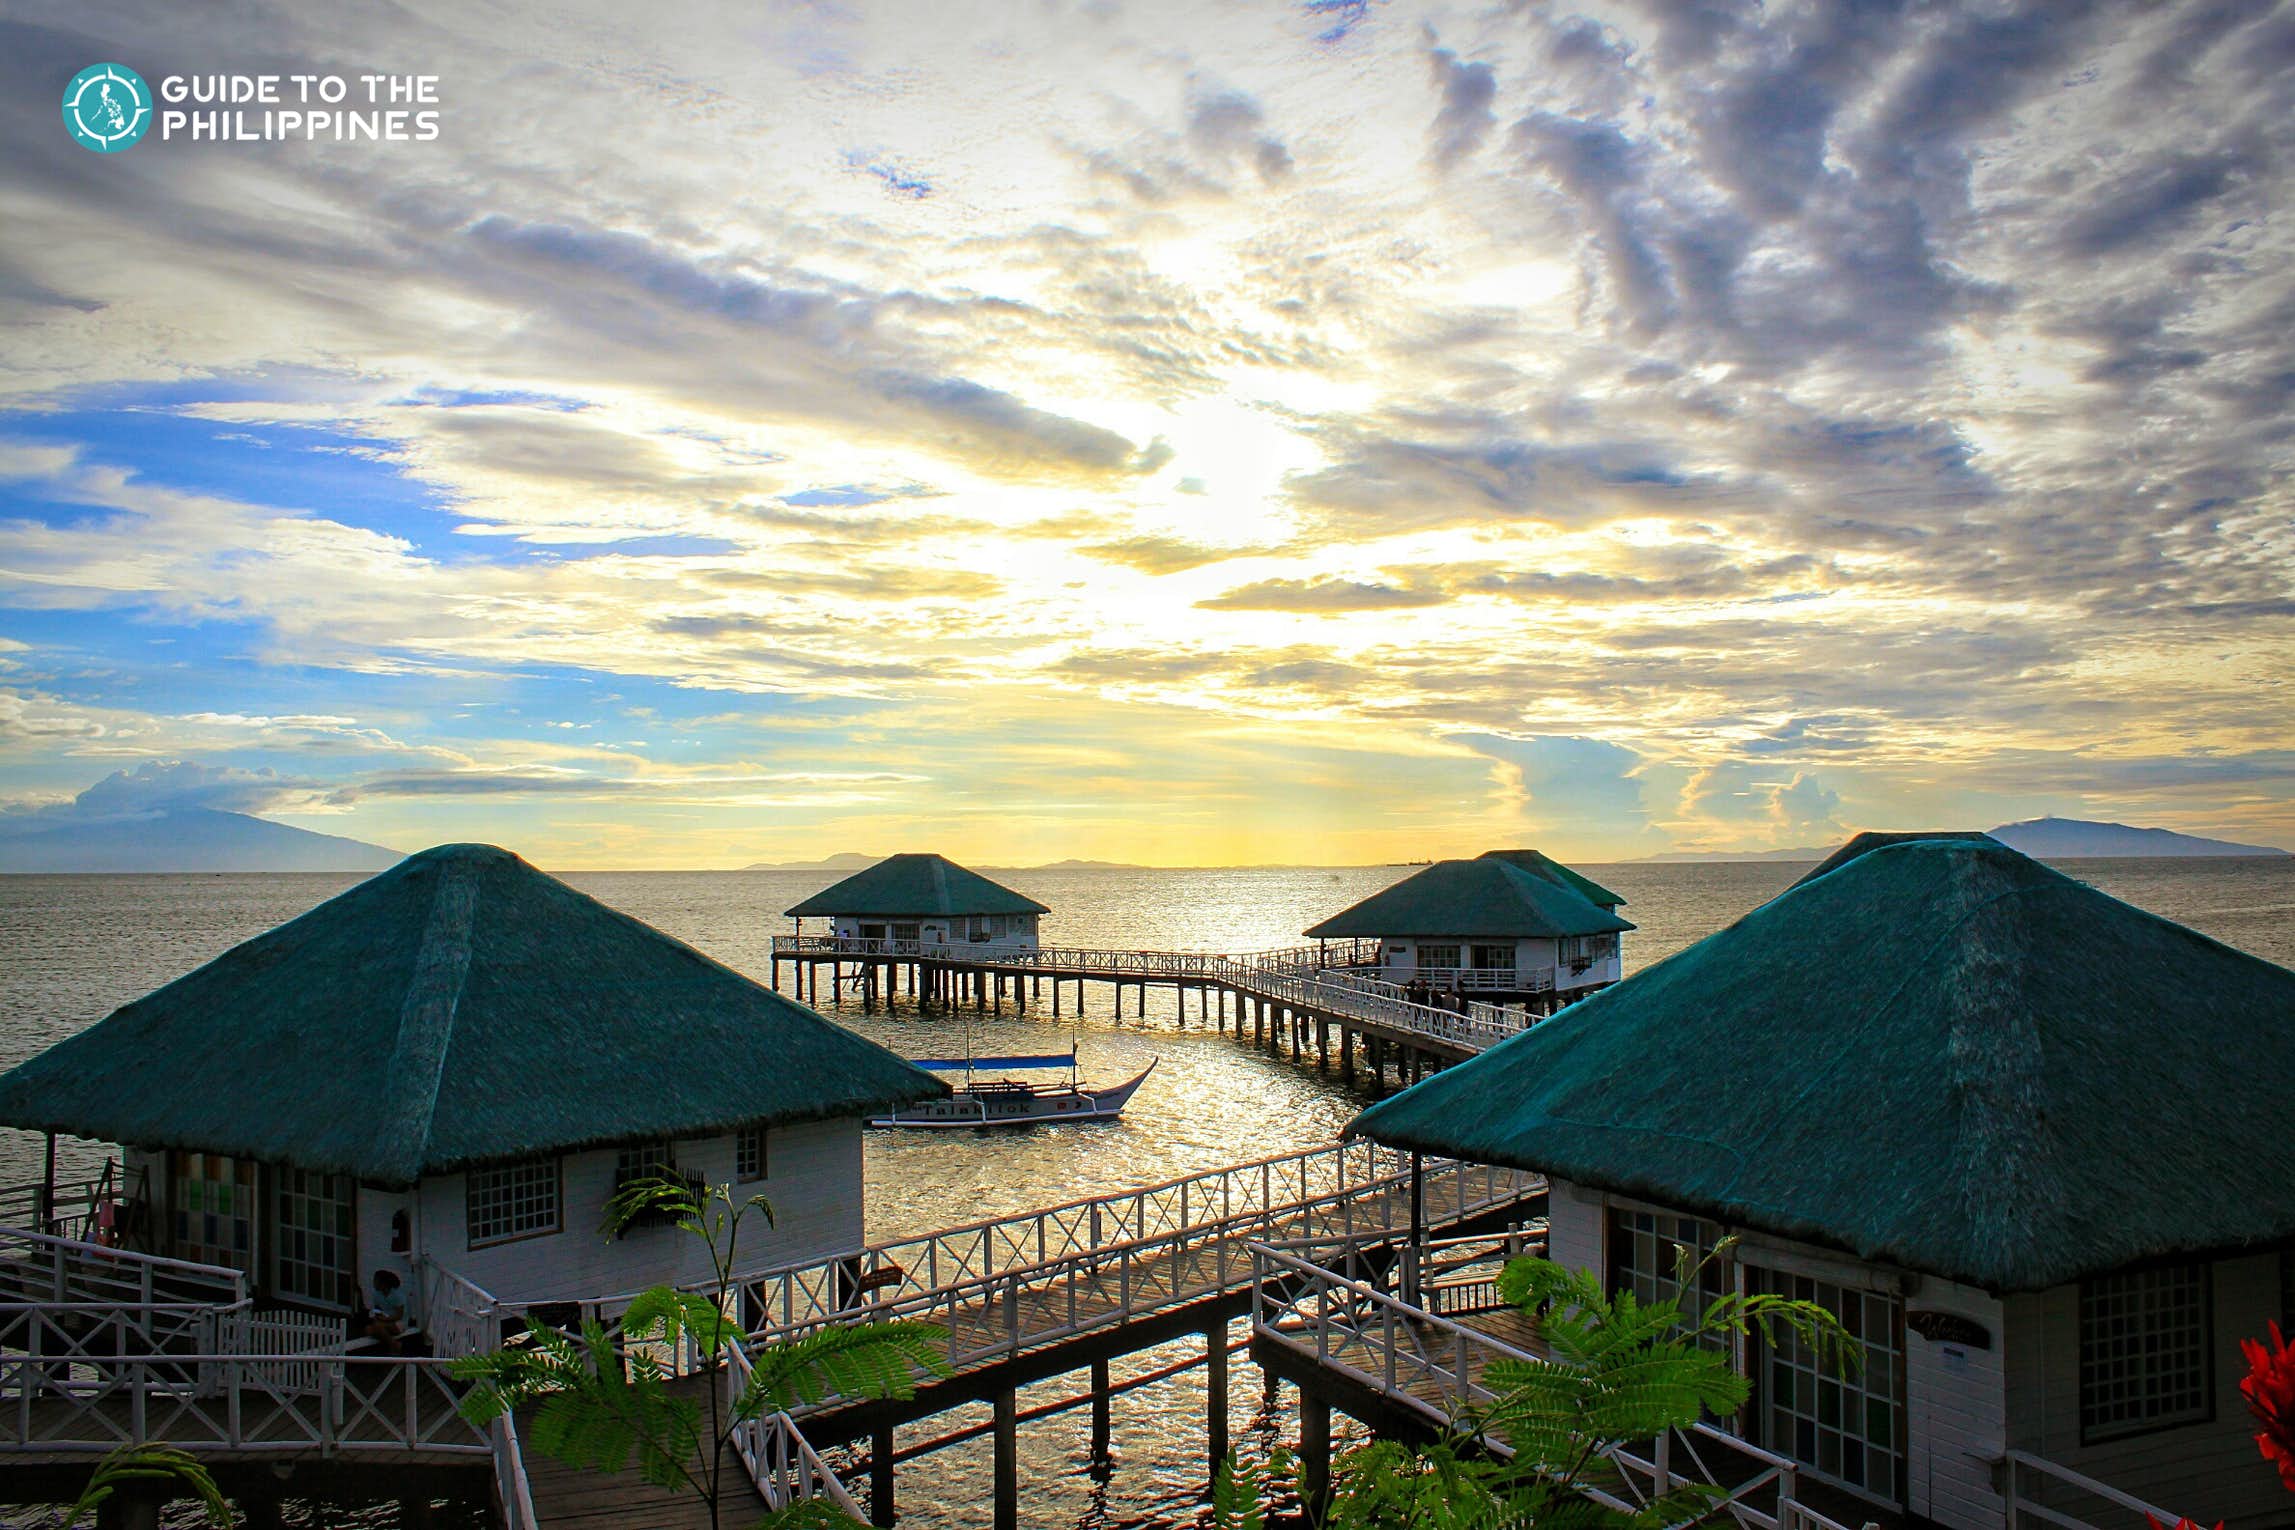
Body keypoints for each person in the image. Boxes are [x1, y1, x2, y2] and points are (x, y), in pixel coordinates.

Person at [364, 1268, 407, 1351]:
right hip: (384, 1321)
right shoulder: (377, 1294)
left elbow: (399, 1315)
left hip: (398, 1322)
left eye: (375, 1281)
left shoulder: (397, 1295)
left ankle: (393, 1345)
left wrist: (385, 1319)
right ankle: (394, 1343)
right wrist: (377, 1317)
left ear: (383, 1283)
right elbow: (377, 1310)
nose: (374, 1283)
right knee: (368, 1329)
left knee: (378, 1327)